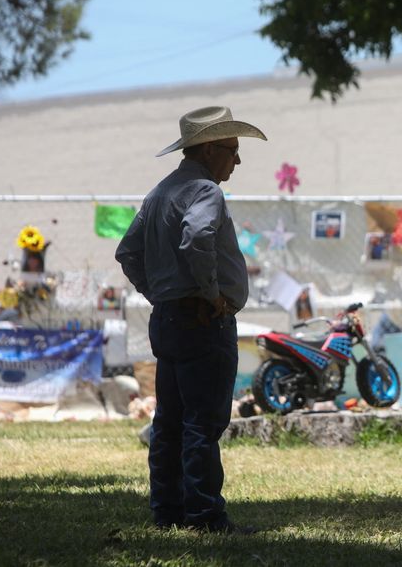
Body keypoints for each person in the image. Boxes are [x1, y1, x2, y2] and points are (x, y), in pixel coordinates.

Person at [116, 106, 266, 534]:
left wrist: (160, 292)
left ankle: (167, 511)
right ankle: (204, 516)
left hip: (168, 319)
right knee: (202, 422)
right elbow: (197, 237)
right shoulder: (205, 191)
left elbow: (128, 252)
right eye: (232, 151)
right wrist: (210, 294)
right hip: (203, 321)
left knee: (169, 421)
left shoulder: (161, 191)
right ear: (207, 149)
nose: (236, 161)